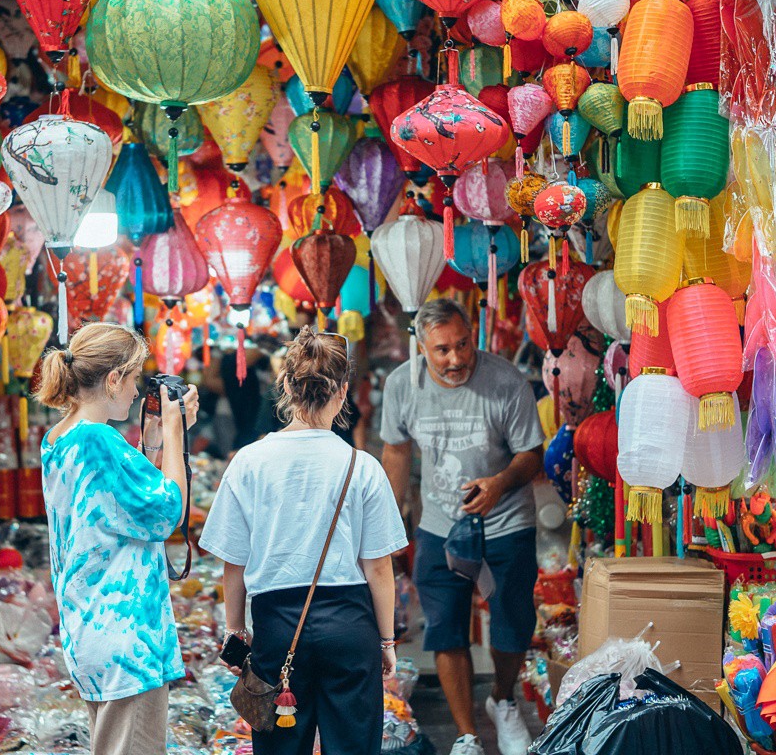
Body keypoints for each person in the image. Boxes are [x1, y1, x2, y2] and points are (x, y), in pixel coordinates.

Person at [200, 328, 407, 755]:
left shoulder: (248, 462)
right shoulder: (361, 466)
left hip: (277, 629)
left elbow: (233, 564)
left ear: (285, 386)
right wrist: (386, 641)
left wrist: (237, 630)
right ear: (343, 390)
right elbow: (379, 567)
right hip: (351, 627)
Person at [380, 299, 544, 755]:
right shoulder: (401, 385)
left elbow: (532, 453)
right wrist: (391, 524)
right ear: (422, 347)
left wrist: (499, 483)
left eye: (463, 345)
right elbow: (395, 452)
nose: (456, 359)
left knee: (513, 625)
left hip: (508, 520)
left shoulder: (506, 381)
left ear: (474, 336)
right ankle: (467, 734)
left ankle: (503, 700)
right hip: (439, 525)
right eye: (442, 350)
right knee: (445, 628)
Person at [35, 322, 200, 755]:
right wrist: (176, 431)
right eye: (133, 378)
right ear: (112, 379)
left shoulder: (58, 438)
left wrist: (150, 446)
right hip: (124, 636)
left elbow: (124, 511)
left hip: (92, 626)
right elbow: (167, 513)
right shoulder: (98, 438)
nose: (135, 392)